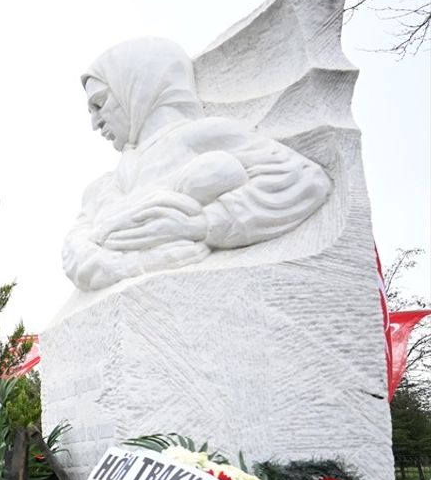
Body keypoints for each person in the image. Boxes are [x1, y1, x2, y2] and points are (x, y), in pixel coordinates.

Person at [61, 37, 331, 291]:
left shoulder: (200, 135)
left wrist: (202, 225)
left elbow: (304, 180)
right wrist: (138, 263)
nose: (95, 123)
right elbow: (75, 252)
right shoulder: (101, 188)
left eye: (99, 103)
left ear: (137, 87)